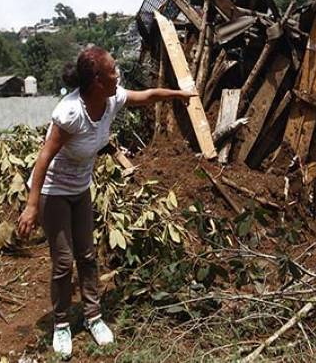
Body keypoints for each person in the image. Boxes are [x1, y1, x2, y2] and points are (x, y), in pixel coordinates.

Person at [17, 46, 194, 360]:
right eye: (113, 70)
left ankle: (93, 316)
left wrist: (178, 95)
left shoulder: (112, 99)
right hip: (53, 190)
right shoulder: (70, 112)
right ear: (97, 79)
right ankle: (61, 324)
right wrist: (32, 206)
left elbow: (147, 96)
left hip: (81, 188)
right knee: (62, 260)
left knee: (87, 254)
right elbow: (43, 159)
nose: (119, 74)